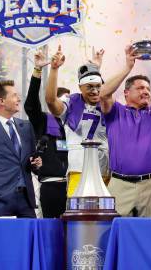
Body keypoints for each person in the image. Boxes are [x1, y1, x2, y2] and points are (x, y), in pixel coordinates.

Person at [99, 43, 151, 217]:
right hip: (119, 183)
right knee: (115, 231)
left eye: (148, 89)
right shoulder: (116, 112)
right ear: (126, 93)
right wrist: (127, 68)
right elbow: (103, 94)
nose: (146, 91)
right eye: (140, 88)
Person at [46, 45, 109, 197]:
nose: (95, 91)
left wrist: (94, 69)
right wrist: (54, 69)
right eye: (89, 87)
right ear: (80, 87)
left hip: (105, 170)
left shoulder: (107, 103)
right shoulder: (72, 103)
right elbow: (50, 100)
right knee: (78, 216)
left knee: (104, 217)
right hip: (80, 169)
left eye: (98, 86)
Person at [0, 80, 42, 218]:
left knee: (27, 239)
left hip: (26, 200)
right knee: (2, 240)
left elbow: (31, 162)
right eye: (14, 95)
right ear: (1, 101)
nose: (19, 99)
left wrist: (36, 164)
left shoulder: (26, 127)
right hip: (0, 201)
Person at [25, 51, 69, 218]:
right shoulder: (43, 121)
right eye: (63, 100)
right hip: (52, 186)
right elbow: (30, 105)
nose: (66, 105)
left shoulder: (75, 125)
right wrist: (37, 70)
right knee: (52, 232)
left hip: (75, 184)